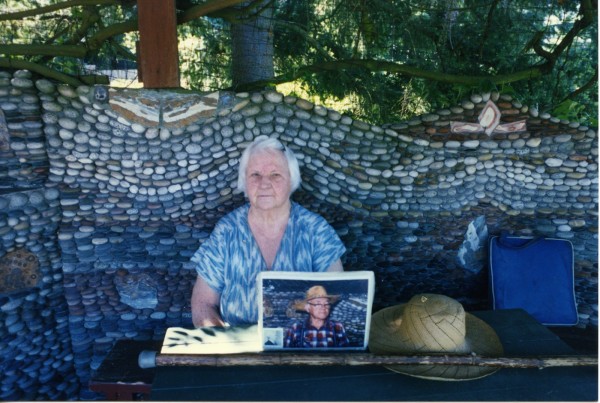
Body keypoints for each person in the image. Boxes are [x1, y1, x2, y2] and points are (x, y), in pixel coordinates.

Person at [190, 135, 346, 327]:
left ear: (291, 180)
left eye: (275, 175)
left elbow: (336, 301)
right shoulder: (226, 232)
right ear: (244, 182)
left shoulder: (316, 230)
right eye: (255, 175)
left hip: (302, 349)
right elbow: (202, 304)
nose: (264, 183)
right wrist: (223, 346)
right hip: (239, 352)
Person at [283, 285, 349, 348]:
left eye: (326, 303)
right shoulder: (296, 329)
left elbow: (345, 357)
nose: (323, 307)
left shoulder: (337, 327)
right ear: (308, 308)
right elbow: (286, 357)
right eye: (318, 303)